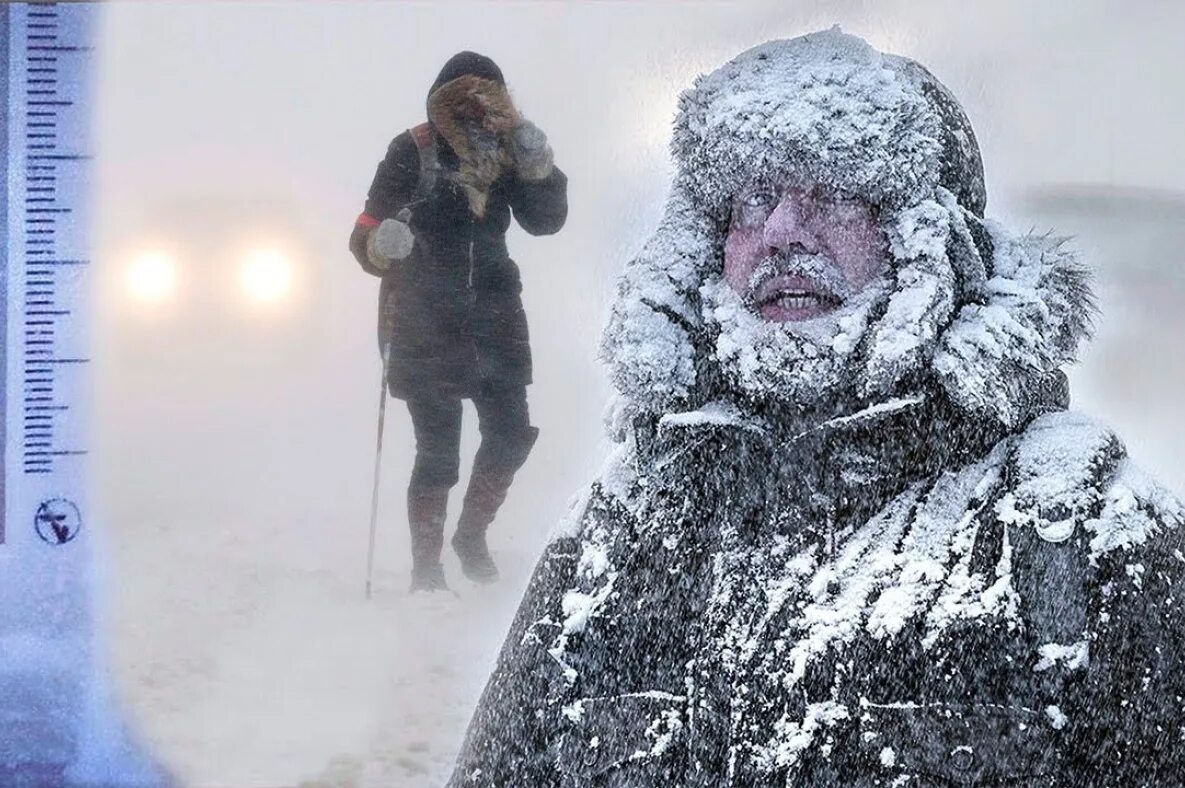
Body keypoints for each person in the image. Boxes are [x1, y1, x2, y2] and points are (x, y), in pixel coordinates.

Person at [446, 29, 1185, 786]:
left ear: (924, 239)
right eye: (751, 200)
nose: (778, 234)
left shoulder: (1078, 528)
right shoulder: (623, 521)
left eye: (830, 194)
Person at [349, 51, 568, 592]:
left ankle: (470, 535)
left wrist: (542, 170)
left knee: (511, 434)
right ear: (444, 103)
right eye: (463, 101)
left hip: (495, 315)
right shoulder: (412, 151)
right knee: (439, 451)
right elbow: (363, 236)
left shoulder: (508, 152)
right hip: (424, 317)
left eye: (486, 100)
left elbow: (545, 222)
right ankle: (427, 571)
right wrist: (381, 244)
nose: (476, 112)